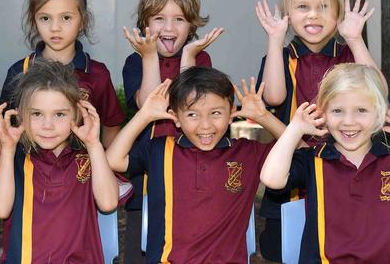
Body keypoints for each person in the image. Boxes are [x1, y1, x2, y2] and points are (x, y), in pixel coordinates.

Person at [260, 63, 390, 263]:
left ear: (380, 114)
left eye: (361, 110)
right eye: (337, 110)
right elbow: (271, 178)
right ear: (323, 114)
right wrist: (294, 130)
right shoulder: (313, 159)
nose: (348, 121)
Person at [254, 0, 386, 261]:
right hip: (296, 162)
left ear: (339, 14)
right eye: (303, 7)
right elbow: (273, 96)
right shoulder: (282, 55)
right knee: (282, 246)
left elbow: (379, 90)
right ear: (288, 13)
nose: (313, 15)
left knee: (345, 238)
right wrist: (275, 40)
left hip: (345, 163)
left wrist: (355, 39)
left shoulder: (347, 54)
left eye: (323, 7)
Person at [107, 67, 286, 263]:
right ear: (175, 117)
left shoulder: (248, 153)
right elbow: (113, 160)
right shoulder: (159, 150)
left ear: (232, 113)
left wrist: (264, 117)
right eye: (192, 115)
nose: (205, 125)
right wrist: (145, 115)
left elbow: (302, 153)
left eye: (216, 113)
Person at [121, 0, 223, 262]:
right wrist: (150, 57)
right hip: (147, 174)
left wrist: (189, 57)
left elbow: (187, 105)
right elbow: (152, 105)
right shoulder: (136, 61)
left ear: (191, 25)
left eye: (178, 19)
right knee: (140, 251)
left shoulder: (200, 60)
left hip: (190, 174)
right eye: (158, 18)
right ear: (145, 24)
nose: (168, 27)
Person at [0, 59, 124, 263]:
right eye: (37, 114)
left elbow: (108, 203)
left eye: (59, 114)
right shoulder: (16, 159)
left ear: (78, 114)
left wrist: (94, 144)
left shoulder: (89, 158)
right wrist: (7, 150)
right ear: (22, 116)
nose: (47, 125)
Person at [0, 0, 124, 147]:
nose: (55, 27)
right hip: (27, 173)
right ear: (34, 22)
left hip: (83, 172)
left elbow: (111, 126)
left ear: (82, 21)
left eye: (66, 18)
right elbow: (3, 129)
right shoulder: (19, 71)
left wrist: (105, 169)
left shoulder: (97, 74)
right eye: (45, 18)